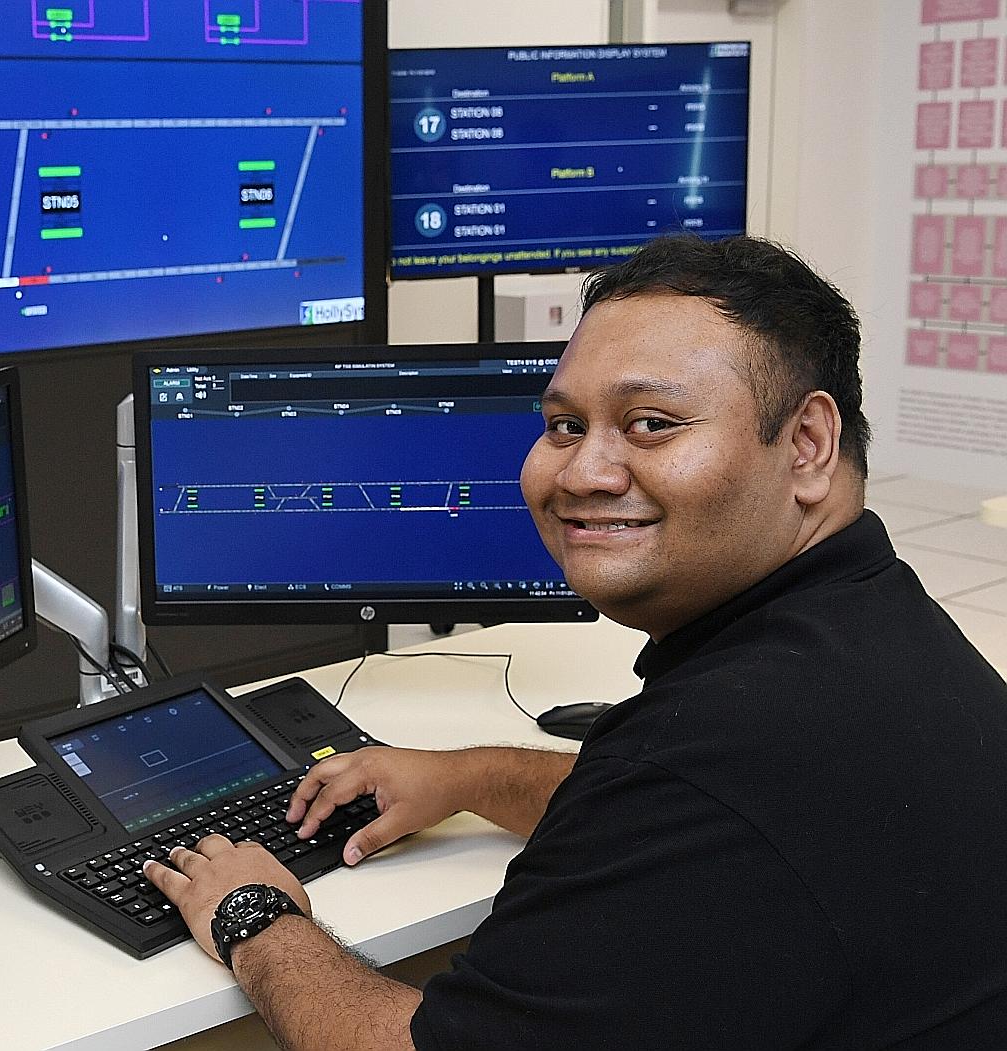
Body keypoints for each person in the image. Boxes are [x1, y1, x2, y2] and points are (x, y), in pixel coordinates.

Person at [142, 235, 1007, 1050]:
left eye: (650, 424)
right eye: (563, 425)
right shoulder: (871, 629)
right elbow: (694, 818)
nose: (582, 471)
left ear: (808, 445)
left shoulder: (716, 752)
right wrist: (470, 776)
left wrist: (256, 916)